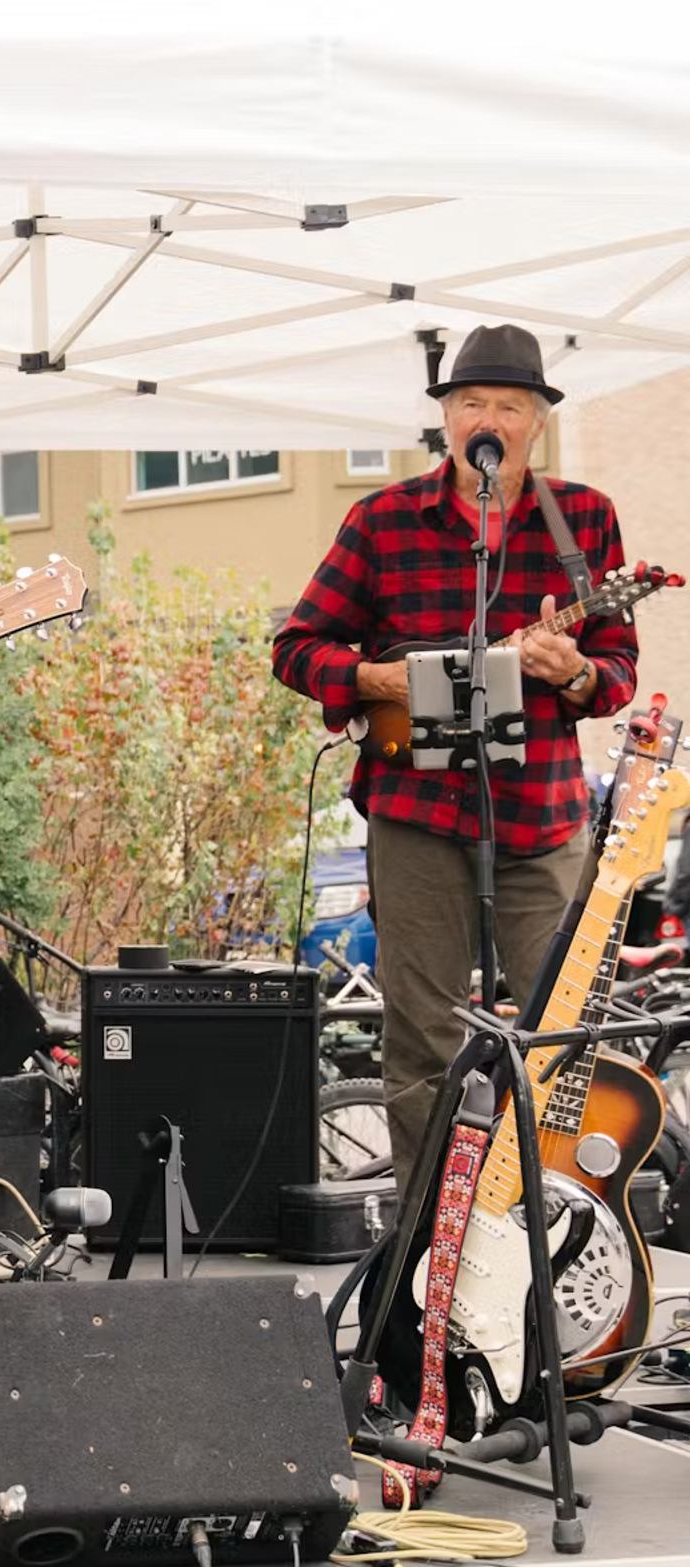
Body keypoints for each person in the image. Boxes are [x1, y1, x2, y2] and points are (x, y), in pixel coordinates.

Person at [273, 324, 637, 1186]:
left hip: (542, 815)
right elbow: (296, 647)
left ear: (537, 422)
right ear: (447, 418)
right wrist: (373, 679)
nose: (490, 420)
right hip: (416, 814)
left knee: (565, 1028)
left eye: (510, 406)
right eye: (473, 402)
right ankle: (431, 1240)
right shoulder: (382, 520)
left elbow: (618, 672)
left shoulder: (584, 519)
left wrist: (573, 670)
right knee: (424, 1035)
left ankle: (556, 1221)